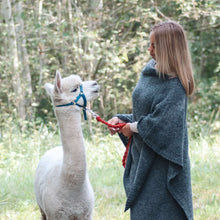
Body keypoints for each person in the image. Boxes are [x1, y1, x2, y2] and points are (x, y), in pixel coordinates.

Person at [108, 20, 194, 220]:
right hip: (142, 159)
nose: (149, 50)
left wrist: (132, 127)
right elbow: (144, 115)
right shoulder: (149, 73)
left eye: (154, 45)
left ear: (167, 49)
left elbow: (163, 126)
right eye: (150, 44)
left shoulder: (176, 86)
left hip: (162, 165)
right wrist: (121, 120)